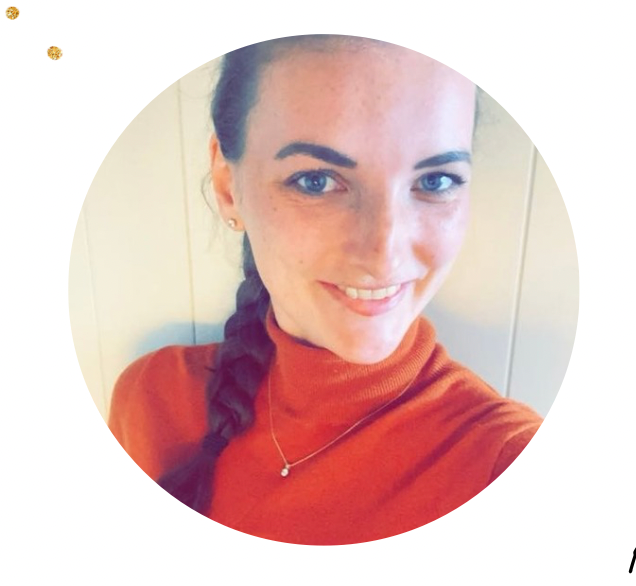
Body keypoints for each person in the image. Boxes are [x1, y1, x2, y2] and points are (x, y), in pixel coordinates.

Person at [108, 34, 543, 545]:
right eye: (316, 180)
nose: (383, 256)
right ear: (228, 187)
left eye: (436, 181)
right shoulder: (152, 401)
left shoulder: (505, 463)